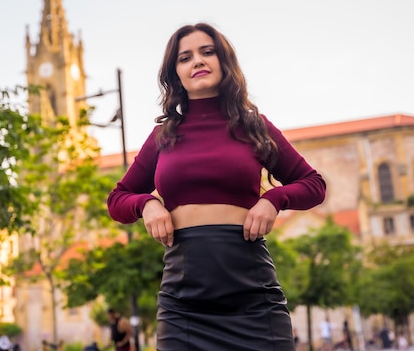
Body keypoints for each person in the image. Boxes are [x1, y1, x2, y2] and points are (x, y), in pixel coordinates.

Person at [106, 23, 326, 350]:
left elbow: (314, 185)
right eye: (185, 57)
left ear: (224, 62)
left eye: (207, 52)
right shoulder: (163, 136)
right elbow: (117, 200)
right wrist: (147, 204)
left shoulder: (255, 126)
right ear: (175, 72)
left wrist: (274, 199)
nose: (197, 61)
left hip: (252, 297)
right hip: (184, 302)